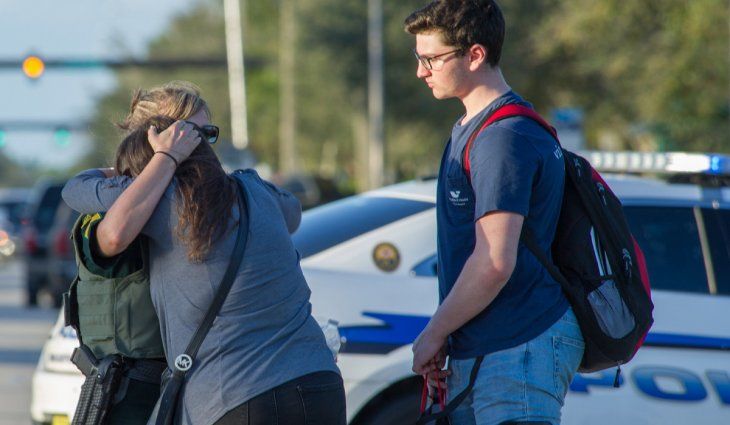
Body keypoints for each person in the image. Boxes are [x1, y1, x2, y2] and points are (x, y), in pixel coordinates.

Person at [62, 88, 345, 424]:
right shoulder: (254, 190)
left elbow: (82, 194)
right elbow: (292, 212)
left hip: (237, 397)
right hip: (320, 384)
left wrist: (162, 160)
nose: (198, 143)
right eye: (186, 132)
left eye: (204, 134)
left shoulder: (165, 202)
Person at [405, 1, 584, 424]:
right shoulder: (477, 129)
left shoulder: (502, 138)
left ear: (475, 55)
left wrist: (435, 332)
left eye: (431, 59)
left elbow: (494, 262)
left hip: (518, 347)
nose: (420, 71)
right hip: (494, 347)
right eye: (419, 58)